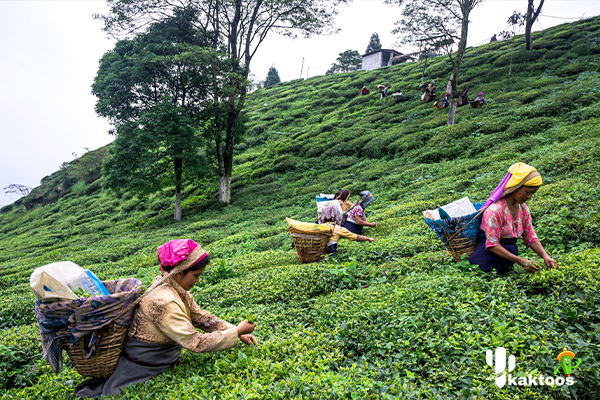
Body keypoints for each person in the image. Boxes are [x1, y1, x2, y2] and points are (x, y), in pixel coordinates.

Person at [74, 240, 257, 397]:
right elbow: (196, 342)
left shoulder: (175, 288)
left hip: (164, 361)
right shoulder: (163, 301)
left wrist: (235, 332)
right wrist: (236, 331)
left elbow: (204, 319)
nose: (197, 281)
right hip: (144, 368)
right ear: (180, 271)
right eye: (195, 275)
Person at [469, 163, 557, 275]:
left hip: (507, 265)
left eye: (532, 194)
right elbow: (492, 245)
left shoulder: (523, 209)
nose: (529, 197)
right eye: (527, 192)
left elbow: (530, 237)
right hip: (484, 267)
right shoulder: (495, 210)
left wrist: (545, 256)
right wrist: (520, 261)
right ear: (516, 186)